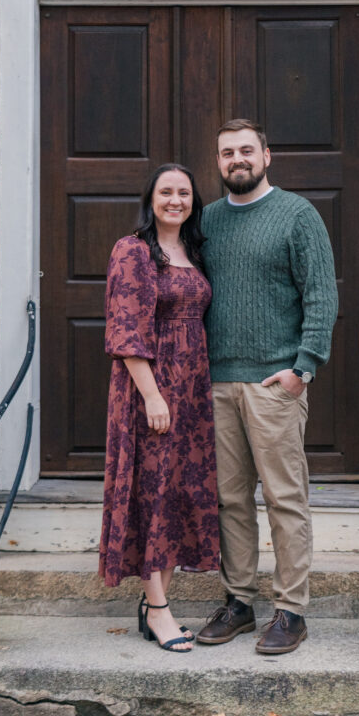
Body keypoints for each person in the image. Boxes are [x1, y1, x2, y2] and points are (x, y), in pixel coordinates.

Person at [197, 119, 338, 655]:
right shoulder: (206, 221)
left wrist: (303, 368)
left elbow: (321, 296)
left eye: (246, 150)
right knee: (229, 499)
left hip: (275, 381)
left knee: (284, 498)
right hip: (217, 383)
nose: (238, 159)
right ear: (219, 162)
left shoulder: (298, 215)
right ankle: (238, 602)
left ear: (267, 156)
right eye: (228, 152)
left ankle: (290, 611)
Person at [98, 163, 220, 653]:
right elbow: (126, 330)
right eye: (166, 192)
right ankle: (160, 609)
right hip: (150, 389)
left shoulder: (193, 250)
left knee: (177, 492)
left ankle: (156, 606)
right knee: (152, 491)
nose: (175, 200)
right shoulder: (133, 250)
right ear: (150, 198)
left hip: (193, 390)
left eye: (184, 192)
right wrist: (151, 396)